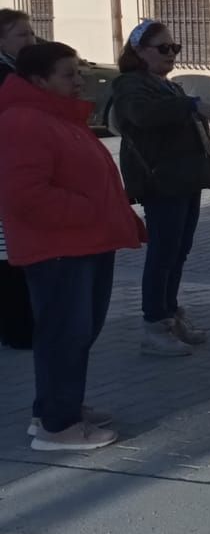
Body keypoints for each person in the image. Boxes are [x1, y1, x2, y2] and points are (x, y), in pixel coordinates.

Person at [0, 41, 145, 450]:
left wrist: (111, 213)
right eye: (69, 74)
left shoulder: (54, 116)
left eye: (79, 72)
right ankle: (57, 427)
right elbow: (24, 194)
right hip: (61, 249)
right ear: (38, 80)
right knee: (66, 335)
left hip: (83, 243)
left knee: (72, 334)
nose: (79, 81)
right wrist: (87, 210)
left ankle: (53, 408)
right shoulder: (24, 121)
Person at [111, 20, 210, 357]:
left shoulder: (166, 85)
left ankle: (170, 313)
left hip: (185, 182)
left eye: (174, 48)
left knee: (178, 251)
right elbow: (143, 115)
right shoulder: (130, 85)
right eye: (163, 48)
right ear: (139, 52)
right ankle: (154, 324)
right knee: (162, 254)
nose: (171, 54)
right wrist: (191, 105)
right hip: (162, 183)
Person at [0, 9, 37, 350]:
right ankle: (18, 330)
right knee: (8, 258)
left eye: (31, 33)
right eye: (22, 35)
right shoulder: (5, 76)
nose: (30, 40)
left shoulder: (19, 71)